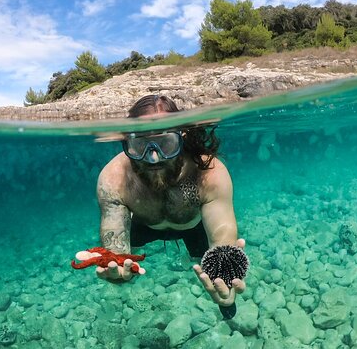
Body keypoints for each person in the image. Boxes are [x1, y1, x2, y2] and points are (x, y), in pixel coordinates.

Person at [77, 94, 246, 314]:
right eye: (140, 145)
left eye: (166, 143)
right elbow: (115, 250)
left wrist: (225, 278)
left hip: (193, 226)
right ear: (126, 143)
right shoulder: (113, 179)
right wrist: (118, 272)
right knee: (120, 264)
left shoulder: (208, 173)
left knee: (218, 277)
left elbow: (222, 232)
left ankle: (225, 299)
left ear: (181, 138)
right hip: (143, 225)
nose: (153, 158)